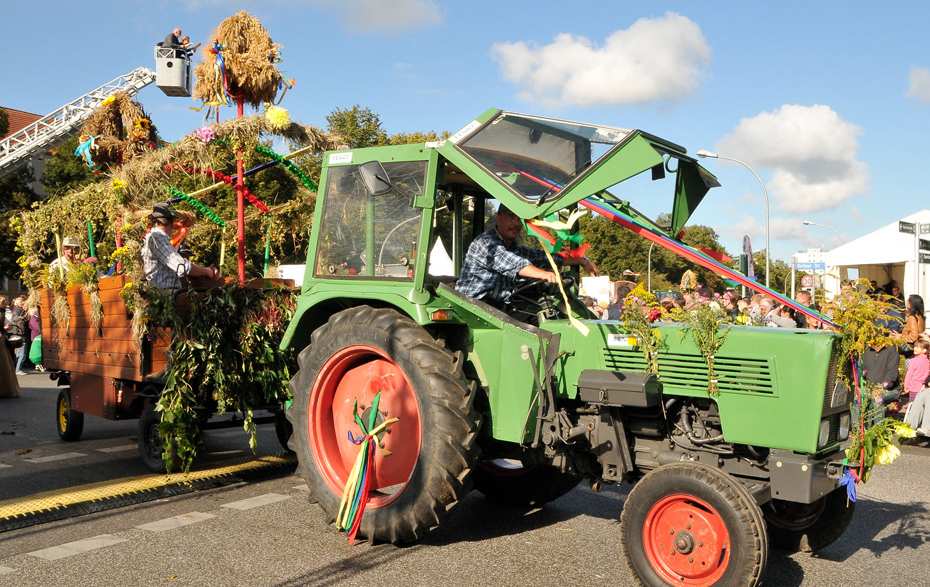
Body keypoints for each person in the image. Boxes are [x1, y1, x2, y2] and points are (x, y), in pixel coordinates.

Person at [456, 204, 598, 309]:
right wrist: (546, 275)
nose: (516, 224)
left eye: (520, 219)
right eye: (511, 217)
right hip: (472, 307)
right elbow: (515, 264)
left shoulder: (514, 247)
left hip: (498, 306)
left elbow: (544, 257)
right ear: (498, 219)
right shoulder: (486, 243)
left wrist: (582, 260)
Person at [142, 203, 218, 289]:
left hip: (161, 292)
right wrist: (206, 271)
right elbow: (181, 266)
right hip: (166, 294)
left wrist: (203, 271)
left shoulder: (153, 237)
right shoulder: (157, 237)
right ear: (171, 224)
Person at [903, 340, 930, 433]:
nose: (914, 348)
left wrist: (906, 385)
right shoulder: (927, 361)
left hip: (914, 386)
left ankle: (911, 425)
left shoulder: (914, 360)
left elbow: (909, 374)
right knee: (921, 404)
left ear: (924, 350)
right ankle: (918, 425)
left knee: (913, 406)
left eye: (917, 347)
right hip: (923, 386)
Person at [894, 294, 926, 361]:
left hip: (911, 351)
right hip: (918, 348)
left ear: (912, 303)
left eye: (908, 300)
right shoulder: (921, 317)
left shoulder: (912, 318)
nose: (906, 302)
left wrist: (900, 336)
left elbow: (913, 337)